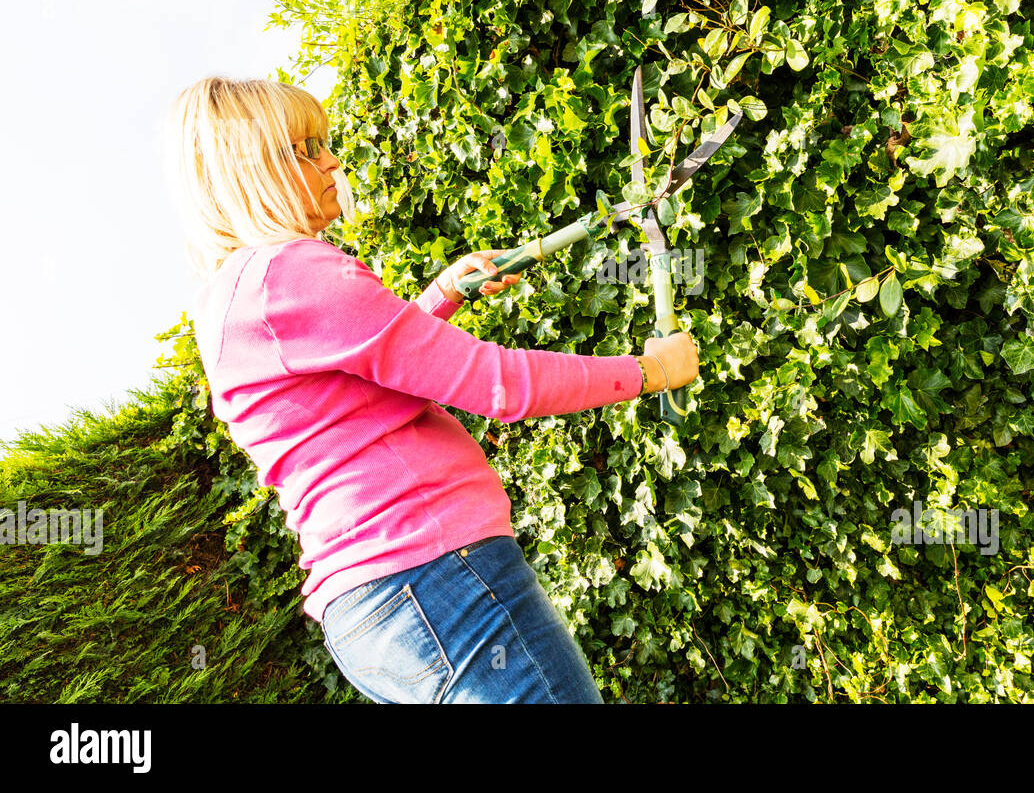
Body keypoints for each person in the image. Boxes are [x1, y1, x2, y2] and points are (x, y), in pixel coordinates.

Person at [163, 75, 698, 703]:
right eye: (307, 149)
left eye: (324, 143)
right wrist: (651, 371)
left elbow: (353, 389)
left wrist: (440, 295)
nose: (332, 162)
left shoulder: (230, 299)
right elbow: (501, 385)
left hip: (371, 617)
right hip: (437, 578)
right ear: (251, 171)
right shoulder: (291, 270)